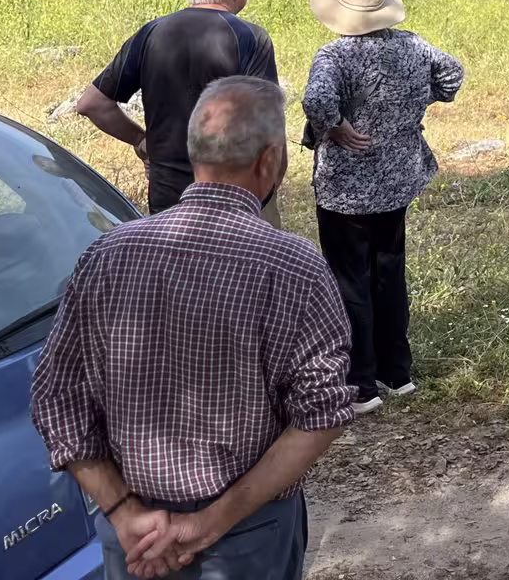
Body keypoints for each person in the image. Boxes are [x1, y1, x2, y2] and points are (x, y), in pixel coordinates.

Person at [32, 77, 353, 580]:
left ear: (193, 151)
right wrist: (206, 525)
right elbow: (321, 414)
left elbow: (56, 398)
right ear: (270, 160)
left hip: (135, 537)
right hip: (247, 535)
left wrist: (123, 512)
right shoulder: (293, 267)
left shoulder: (107, 256)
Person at [301, 0, 465, 417]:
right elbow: (451, 75)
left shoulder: (334, 57)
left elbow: (316, 101)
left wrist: (334, 128)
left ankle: (361, 382)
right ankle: (398, 372)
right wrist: (410, 108)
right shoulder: (413, 46)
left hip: (345, 190)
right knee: (389, 271)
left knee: (349, 277)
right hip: (398, 181)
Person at [74, 0, 281, 220]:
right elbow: (268, 130)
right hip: (234, 197)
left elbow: (92, 103)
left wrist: (140, 139)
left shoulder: (151, 33)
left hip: (168, 198)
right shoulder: (251, 38)